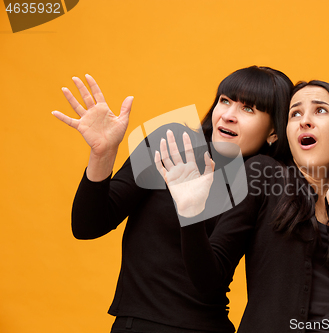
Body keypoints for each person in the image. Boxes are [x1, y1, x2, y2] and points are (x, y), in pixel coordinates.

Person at [51, 66, 295, 333]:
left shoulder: (261, 177)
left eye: (248, 109)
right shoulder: (171, 143)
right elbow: (88, 226)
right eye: (225, 101)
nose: (228, 115)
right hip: (134, 324)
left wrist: (190, 211)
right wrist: (102, 155)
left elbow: (211, 279)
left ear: (274, 132)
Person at [156, 80, 329, 333]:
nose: (304, 120)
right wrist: (190, 213)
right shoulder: (264, 175)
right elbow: (209, 279)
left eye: (320, 110)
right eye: (295, 113)